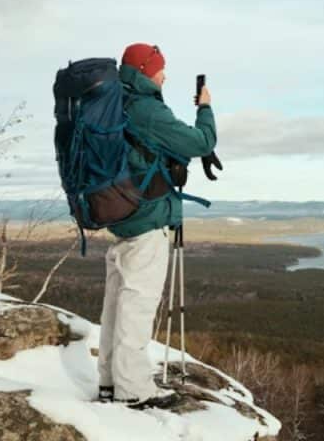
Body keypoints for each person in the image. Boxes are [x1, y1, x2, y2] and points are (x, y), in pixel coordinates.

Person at [96, 43, 216, 408]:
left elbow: (146, 151)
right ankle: (132, 390)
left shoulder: (120, 104)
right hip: (146, 221)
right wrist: (206, 107)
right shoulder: (147, 108)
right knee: (138, 304)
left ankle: (109, 382)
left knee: (116, 304)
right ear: (147, 70)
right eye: (161, 69)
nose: (165, 76)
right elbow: (202, 140)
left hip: (123, 216)